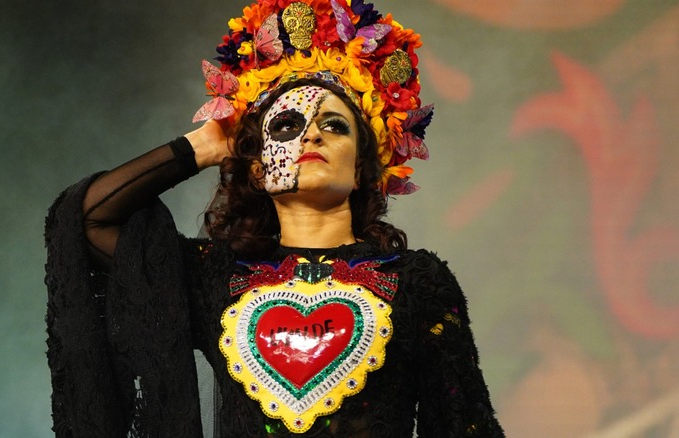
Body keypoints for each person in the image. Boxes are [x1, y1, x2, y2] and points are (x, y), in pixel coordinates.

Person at [44, 1, 505, 436]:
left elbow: (464, 425)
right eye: (285, 126)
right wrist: (202, 148)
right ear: (260, 168)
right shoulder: (216, 275)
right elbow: (87, 220)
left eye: (334, 125)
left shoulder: (417, 281)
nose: (310, 135)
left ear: (363, 167)